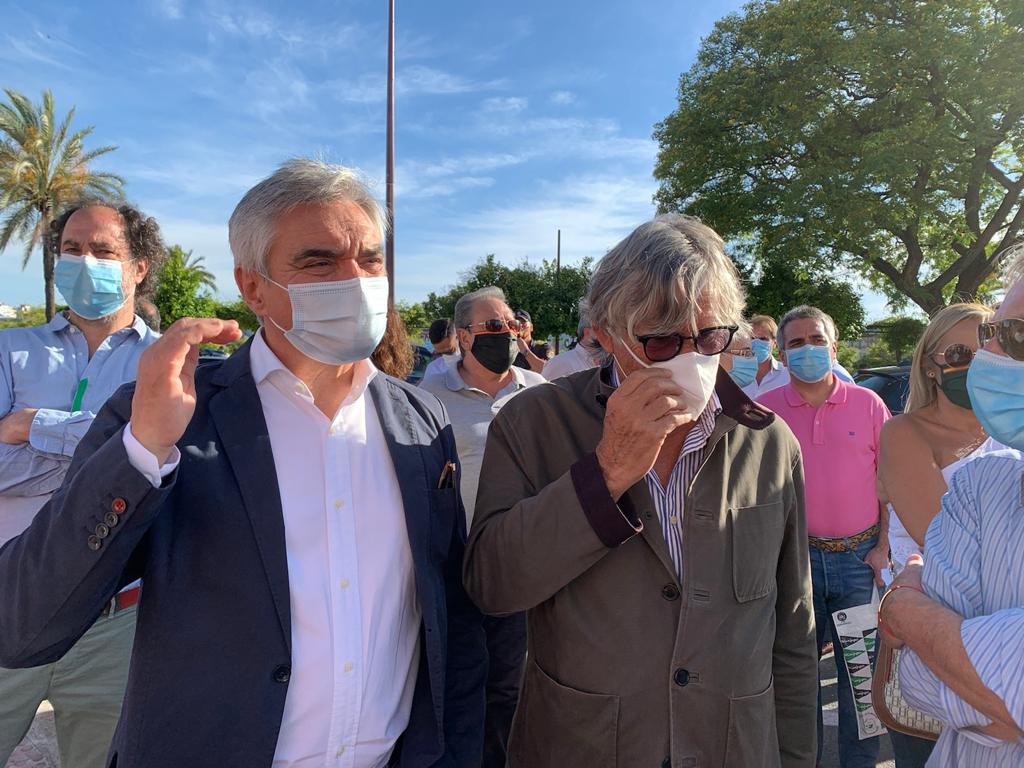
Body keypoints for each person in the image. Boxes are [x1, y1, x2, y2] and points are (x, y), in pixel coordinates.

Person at [0, 159, 487, 768]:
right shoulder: (175, 414)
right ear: (253, 287)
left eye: (370, 259)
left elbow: (449, 616)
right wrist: (142, 450)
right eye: (319, 262)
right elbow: (24, 620)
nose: (356, 280)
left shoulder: (421, 419)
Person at [464, 214, 817, 768]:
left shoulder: (768, 442)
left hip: (733, 745)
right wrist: (606, 472)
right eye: (661, 340)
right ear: (606, 334)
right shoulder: (534, 423)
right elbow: (493, 585)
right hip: (586, 745)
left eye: (710, 337)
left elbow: (792, 626)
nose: (691, 358)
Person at [0, 200, 165, 768]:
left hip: (114, 626)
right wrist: (117, 450)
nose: (84, 261)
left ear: (138, 267)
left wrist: (29, 427)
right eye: (71, 249)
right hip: (8, 599)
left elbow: (167, 472)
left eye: (102, 250)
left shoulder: (167, 362)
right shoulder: (10, 349)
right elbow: (138, 462)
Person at [880, 249, 1024, 767]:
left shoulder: (1005, 439)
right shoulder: (910, 435)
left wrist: (919, 619)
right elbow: (921, 676)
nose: (983, 360)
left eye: (1007, 338)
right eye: (961, 352)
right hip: (912, 585)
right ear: (930, 364)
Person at [757, 305, 891, 768]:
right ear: (782, 354)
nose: (807, 349)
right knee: (798, 682)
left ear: (834, 348)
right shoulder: (765, 412)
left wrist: (883, 547)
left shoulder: (868, 404)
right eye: (795, 343)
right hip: (796, 566)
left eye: (816, 340)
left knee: (862, 681)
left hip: (859, 563)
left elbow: (888, 482)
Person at [420, 286, 545, 768]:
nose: (507, 333)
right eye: (494, 326)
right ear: (465, 336)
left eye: (511, 324)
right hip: (456, 562)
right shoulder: (431, 396)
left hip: (518, 561)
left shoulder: (539, 392)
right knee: (461, 680)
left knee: (510, 681)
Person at [744, 313, 855, 399]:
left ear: (775, 343)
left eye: (763, 339)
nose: (756, 343)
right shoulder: (738, 374)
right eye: (752, 338)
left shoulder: (792, 373)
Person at [542, 299, 602, 381]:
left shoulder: (611, 364)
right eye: (603, 329)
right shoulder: (560, 364)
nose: (609, 335)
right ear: (587, 332)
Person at [421, 317, 459, 384]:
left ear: (458, 336)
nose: (443, 356)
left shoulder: (474, 361)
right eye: (439, 353)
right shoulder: (433, 369)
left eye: (448, 351)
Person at [511, 309, 548, 374]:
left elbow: (549, 370)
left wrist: (525, 350)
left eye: (523, 322)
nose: (520, 325)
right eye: (516, 322)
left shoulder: (542, 349)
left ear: (531, 327)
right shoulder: (508, 350)